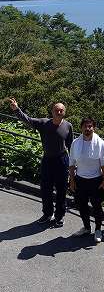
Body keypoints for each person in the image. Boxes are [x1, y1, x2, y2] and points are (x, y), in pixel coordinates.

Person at [8, 97, 73, 227]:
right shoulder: (44, 123)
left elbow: (71, 145)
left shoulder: (68, 126)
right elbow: (28, 120)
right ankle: (48, 213)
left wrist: (73, 164)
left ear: (64, 112)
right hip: (48, 159)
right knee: (46, 189)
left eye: (61, 110)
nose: (59, 112)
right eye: (56, 110)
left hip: (62, 159)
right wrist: (16, 109)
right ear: (52, 111)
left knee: (61, 190)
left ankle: (59, 216)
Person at [69, 116, 104, 243]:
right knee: (81, 205)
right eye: (85, 126)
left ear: (94, 128)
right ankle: (86, 227)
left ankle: (98, 229)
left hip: (96, 180)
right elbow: (71, 163)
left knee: (97, 206)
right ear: (81, 127)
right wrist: (72, 180)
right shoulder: (75, 143)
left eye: (90, 126)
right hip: (80, 179)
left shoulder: (100, 143)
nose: (88, 128)